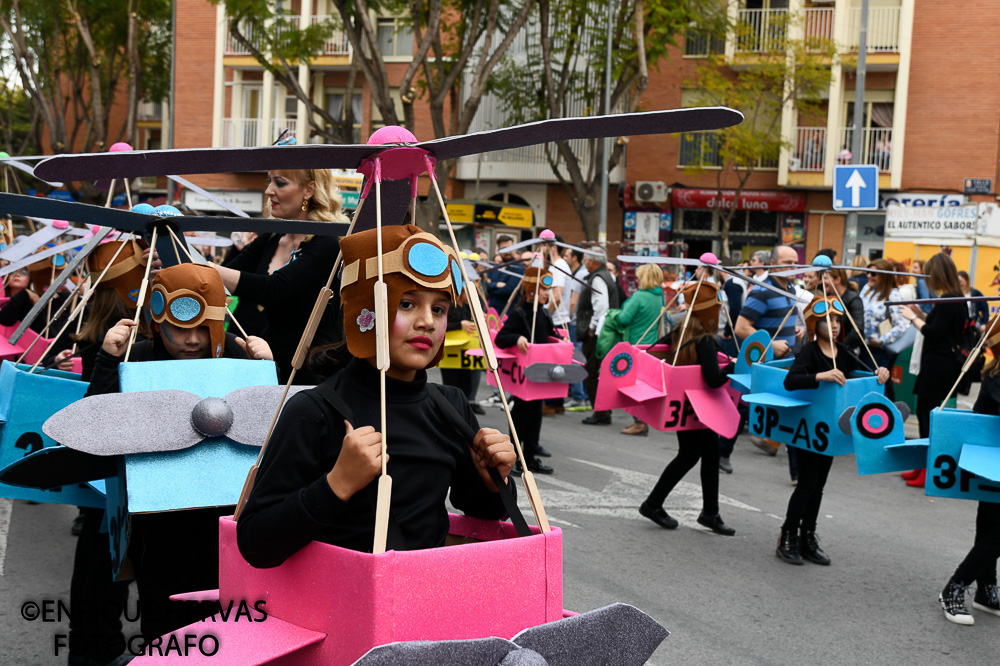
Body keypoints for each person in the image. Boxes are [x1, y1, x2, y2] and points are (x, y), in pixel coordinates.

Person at [237, 225, 515, 566]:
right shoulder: (314, 411)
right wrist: (337, 484)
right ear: (363, 313)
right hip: (333, 609)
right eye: (408, 303)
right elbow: (255, 542)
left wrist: (494, 479)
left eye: (440, 309)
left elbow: (482, 512)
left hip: (423, 602)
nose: (427, 322)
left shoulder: (451, 405)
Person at [88, 263, 274, 641]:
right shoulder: (136, 358)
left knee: (227, 626)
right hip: (157, 524)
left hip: (224, 522)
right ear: (157, 325)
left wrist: (266, 372)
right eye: (179, 328)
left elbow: (273, 430)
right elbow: (97, 424)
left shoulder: (238, 358)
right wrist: (108, 361)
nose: (191, 340)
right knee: (164, 622)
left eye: (201, 330)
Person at [775, 296, 890, 565]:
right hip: (806, 429)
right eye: (828, 320)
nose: (835, 325)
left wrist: (881, 372)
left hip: (830, 433)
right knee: (806, 484)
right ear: (815, 324)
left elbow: (867, 374)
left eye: (838, 320)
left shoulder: (845, 353)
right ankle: (787, 535)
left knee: (819, 486)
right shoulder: (809, 351)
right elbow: (791, 381)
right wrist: (819, 376)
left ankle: (808, 536)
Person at [211, 168, 348, 383]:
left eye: (280, 183)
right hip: (268, 361)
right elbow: (226, 274)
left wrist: (209, 269)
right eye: (269, 182)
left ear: (309, 190)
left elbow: (274, 289)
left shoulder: (327, 242)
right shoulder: (273, 236)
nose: (268, 191)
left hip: (312, 369)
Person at [639, 279, 736, 536]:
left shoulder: (681, 331)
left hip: (685, 406)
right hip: (699, 408)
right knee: (690, 455)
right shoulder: (704, 340)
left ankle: (709, 512)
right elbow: (714, 379)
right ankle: (653, 503)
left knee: (708, 454)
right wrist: (734, 367)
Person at [936, 316, 1000, 625]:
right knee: (995, 532)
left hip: (991, 461)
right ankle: (954, 587)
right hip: (990, 461)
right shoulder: (998, 375)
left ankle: (986, 590)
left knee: (990, 527)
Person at [735, 245, 804, 479]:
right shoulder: (762, 291)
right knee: (744, 409)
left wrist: (794, 332)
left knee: (791, 412)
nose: (793, 267)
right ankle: (721, 451)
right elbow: (741, 327)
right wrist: (770, 345)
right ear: (773, 264)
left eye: (795, 262)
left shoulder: (792, 288)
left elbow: (779, 321)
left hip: (787, 364)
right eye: (787, 262)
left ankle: (796, 472)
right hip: (765, 364)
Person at [901, 253, 969, 489]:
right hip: (939, 362)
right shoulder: (954, 299)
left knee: (927, 415)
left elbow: (934, 333)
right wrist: (921, 315)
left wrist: (913, 319)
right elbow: (942, 326)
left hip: (938, 364)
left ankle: (928, 468)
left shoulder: (949, 300)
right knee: (924, 412)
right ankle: (922, 465)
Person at [496, 267, 556, 475]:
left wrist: (561, 339)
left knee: (536, 415)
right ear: (532, 290)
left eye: (548, 289)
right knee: (521, 417)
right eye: (542, 289)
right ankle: (511, 458)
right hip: (524, 376)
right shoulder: (520, 314)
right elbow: (501, 338)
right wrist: (517, 338)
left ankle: (529, 457)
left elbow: (550, 336)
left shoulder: (544, 313)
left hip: (540, 374)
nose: (547, 293)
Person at [617, 263, 664, 436]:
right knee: (644, 384)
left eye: (638, 277)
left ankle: (639, 422)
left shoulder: (640, 296)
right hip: (650, 344)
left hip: (634, 343)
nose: (636, 280)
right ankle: (642, 420)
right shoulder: (660, 297)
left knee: (631, 385)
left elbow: (624, 318)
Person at [578, 248, 620, 425]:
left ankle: (601, 412)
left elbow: (601, 306)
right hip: (605, 333)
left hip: (597, 334)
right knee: (599, 372)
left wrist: (592, 328)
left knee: (592, 373)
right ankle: (603, 410)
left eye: (586, 260)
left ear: (593, 261)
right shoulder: (606, 276)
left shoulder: (597, 278)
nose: (585, 263)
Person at [859, 258, 909, 400]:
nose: (869, 276)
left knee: (879, 384)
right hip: (862, 347)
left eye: (873, 274)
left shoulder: (893, 295)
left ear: (884, 276)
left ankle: (884, 415)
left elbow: (902, 325)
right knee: (864, 384)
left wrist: (881, 340)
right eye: (868, 272)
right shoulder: (866, 290)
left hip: (879, 350)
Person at [563, 247, 590, 409]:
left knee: (575, 359)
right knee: (579, 358)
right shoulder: (580, 273)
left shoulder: (579, 274)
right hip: (581, 322)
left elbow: (573, 301)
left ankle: (579, 396)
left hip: (574, 323)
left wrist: (568, 318)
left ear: (575, 258)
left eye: (567, 255)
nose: (564, 258)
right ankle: (583, 396)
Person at [820, 267, 864, 353]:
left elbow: (857, 329)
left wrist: (841, 347)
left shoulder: (853, 299)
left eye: (825, 278)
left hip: (847, 350)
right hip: (830, 348)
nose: (822, 282)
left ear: (837, 280)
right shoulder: (828, 297)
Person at [486, 235, 523, 314]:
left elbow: (509, 290)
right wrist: (496, 285)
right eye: (504, 249)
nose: (508, 252)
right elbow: (485, 286)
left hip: (509, 314)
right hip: (491, 313)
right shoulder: (494, 267)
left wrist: (491, 286)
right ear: (498, 250)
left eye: (511, 248)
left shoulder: (518, 268)